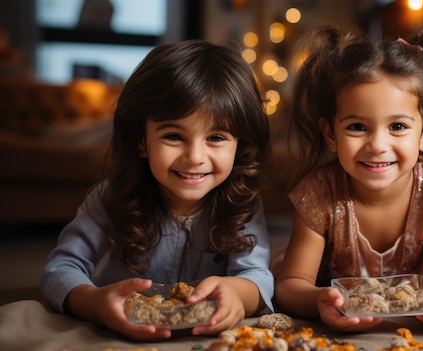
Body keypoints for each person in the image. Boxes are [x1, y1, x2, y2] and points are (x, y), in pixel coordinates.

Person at [40, 39, 274, 341]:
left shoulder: (242, 203)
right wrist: (95, 303)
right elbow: (61, 267)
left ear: (239, 143)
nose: (195, 157)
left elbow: (258, 276)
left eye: (216, 137)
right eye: (174, 136)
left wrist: (237, 293)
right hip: (120, 337)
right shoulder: (111, 197)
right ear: (141, 140)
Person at [274, 24, 423, 332]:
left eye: (397, 127)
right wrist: (321, 301)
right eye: (357, 127)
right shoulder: (318, 194)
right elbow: (291, 285)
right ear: (330, 134)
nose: (377, 145)